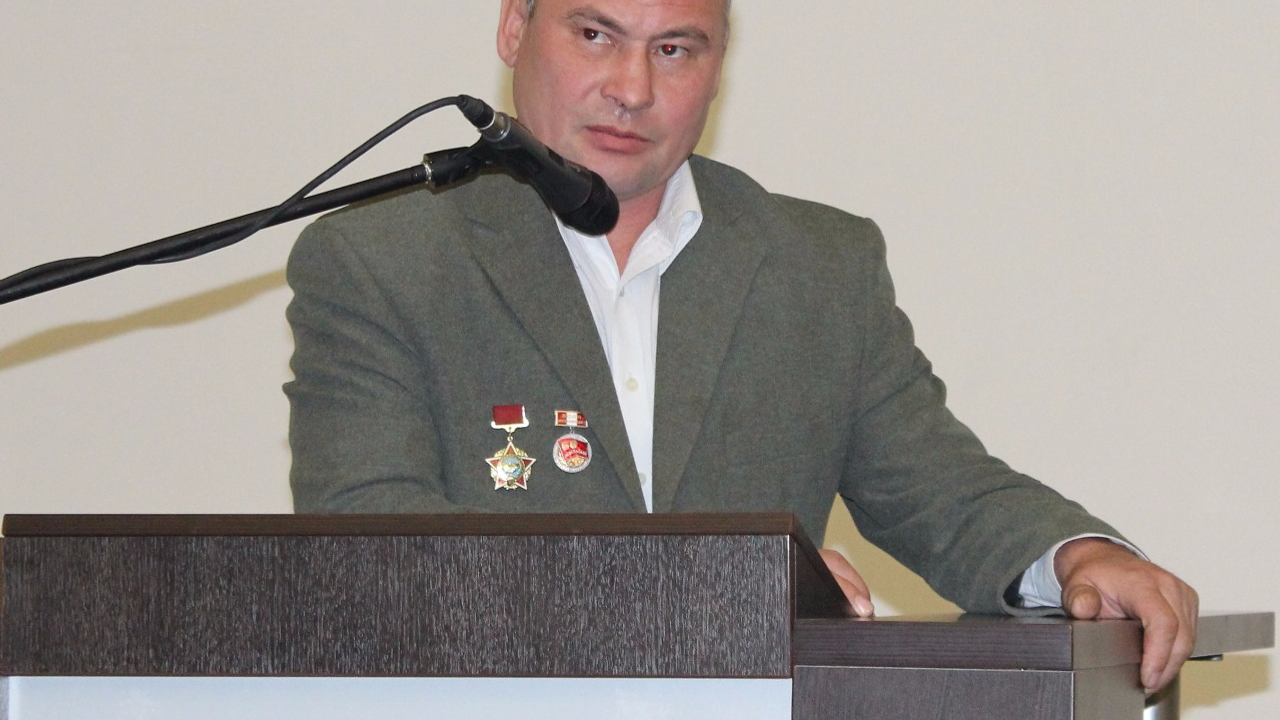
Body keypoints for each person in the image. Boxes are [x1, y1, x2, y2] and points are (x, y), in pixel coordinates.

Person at [285, 0, 1198, 694]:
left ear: (718, 67)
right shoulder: (382, 262)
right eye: (596, 35)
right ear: (514, 28)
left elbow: (941, 490)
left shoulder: (819, 264)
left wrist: (1076, 555)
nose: (633, 88)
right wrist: (710, 586)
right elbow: (371, 538)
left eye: (675, 49)